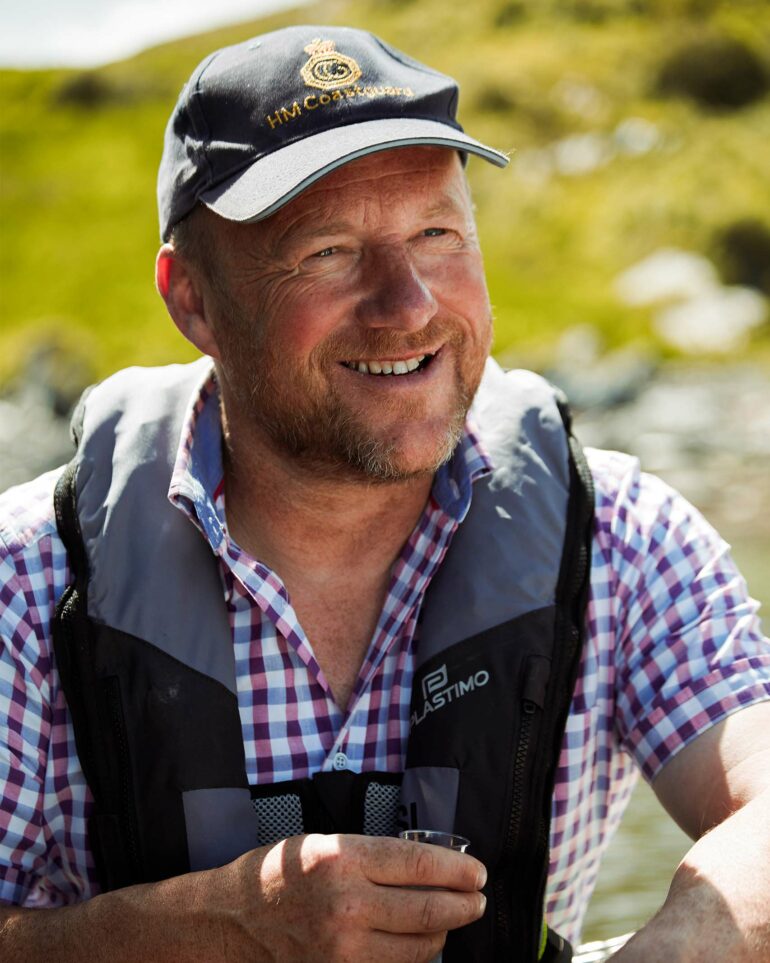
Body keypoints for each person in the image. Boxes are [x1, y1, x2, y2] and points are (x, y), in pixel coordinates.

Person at [1, 23, 769, 963]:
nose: (407, 304)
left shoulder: (624, 537)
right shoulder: (27, 582)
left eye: (437, 234)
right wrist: (203, 926)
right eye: (327, 251)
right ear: (191, 297)